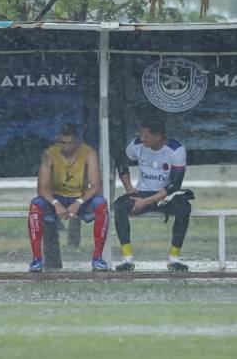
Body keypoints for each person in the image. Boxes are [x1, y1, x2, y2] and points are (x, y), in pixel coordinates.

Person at [114, 116, 193, 272]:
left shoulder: (176, 150)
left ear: (158, 137)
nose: (142, 139)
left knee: (184, 208)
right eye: (141, 135)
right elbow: (121, 161)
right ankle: (127, 259)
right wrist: (129, 188)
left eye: (146, 136)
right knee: (119, 206)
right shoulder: (136, 145)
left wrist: (147, 202)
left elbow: (175, 185)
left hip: (165, 196)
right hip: (141, 194)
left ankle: (174, 258)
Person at [27, 123, 110, 272]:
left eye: (70, 143)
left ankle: (97, 258)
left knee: (101, 205)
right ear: (58, 140)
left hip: (81, 198)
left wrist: (78, 202)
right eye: (62, 143)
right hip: (56, 198)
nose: (66, 147)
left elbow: (96, 186)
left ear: (76, 141)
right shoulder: (49, 153)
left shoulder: (88, 153)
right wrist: (56, 203)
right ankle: (36, 260)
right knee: (35, 205)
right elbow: (41, 188)